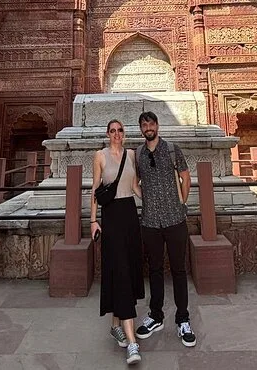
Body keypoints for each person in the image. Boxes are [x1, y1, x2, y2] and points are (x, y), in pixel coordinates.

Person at [134, 111, 196, 347]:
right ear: (141, 129)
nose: (148, 127)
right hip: (150, 221)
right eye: (144, 125)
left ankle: (183, 318)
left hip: (175, 219)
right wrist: (147, 198)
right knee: (155, 270)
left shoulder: (172, 149)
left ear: (157, 125)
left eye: (151, 123)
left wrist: (181, 203)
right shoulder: (138, 154)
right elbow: (134, 182)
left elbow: (186, 178)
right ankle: (156, 316)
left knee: (179, 270)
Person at [91, 119, 145, 365]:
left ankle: (115, 326)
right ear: (107, 133)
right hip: (111, 216)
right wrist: (93, 221)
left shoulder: (131, 155)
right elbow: (95, 189)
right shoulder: (100, 156)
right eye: (112, 131)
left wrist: (156, 200)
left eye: (119, 130)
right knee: (121, 271)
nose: (116, 134)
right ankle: (132, 343)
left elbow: (134, 186)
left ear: (124, 133)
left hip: (129, 215)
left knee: (128, 270)